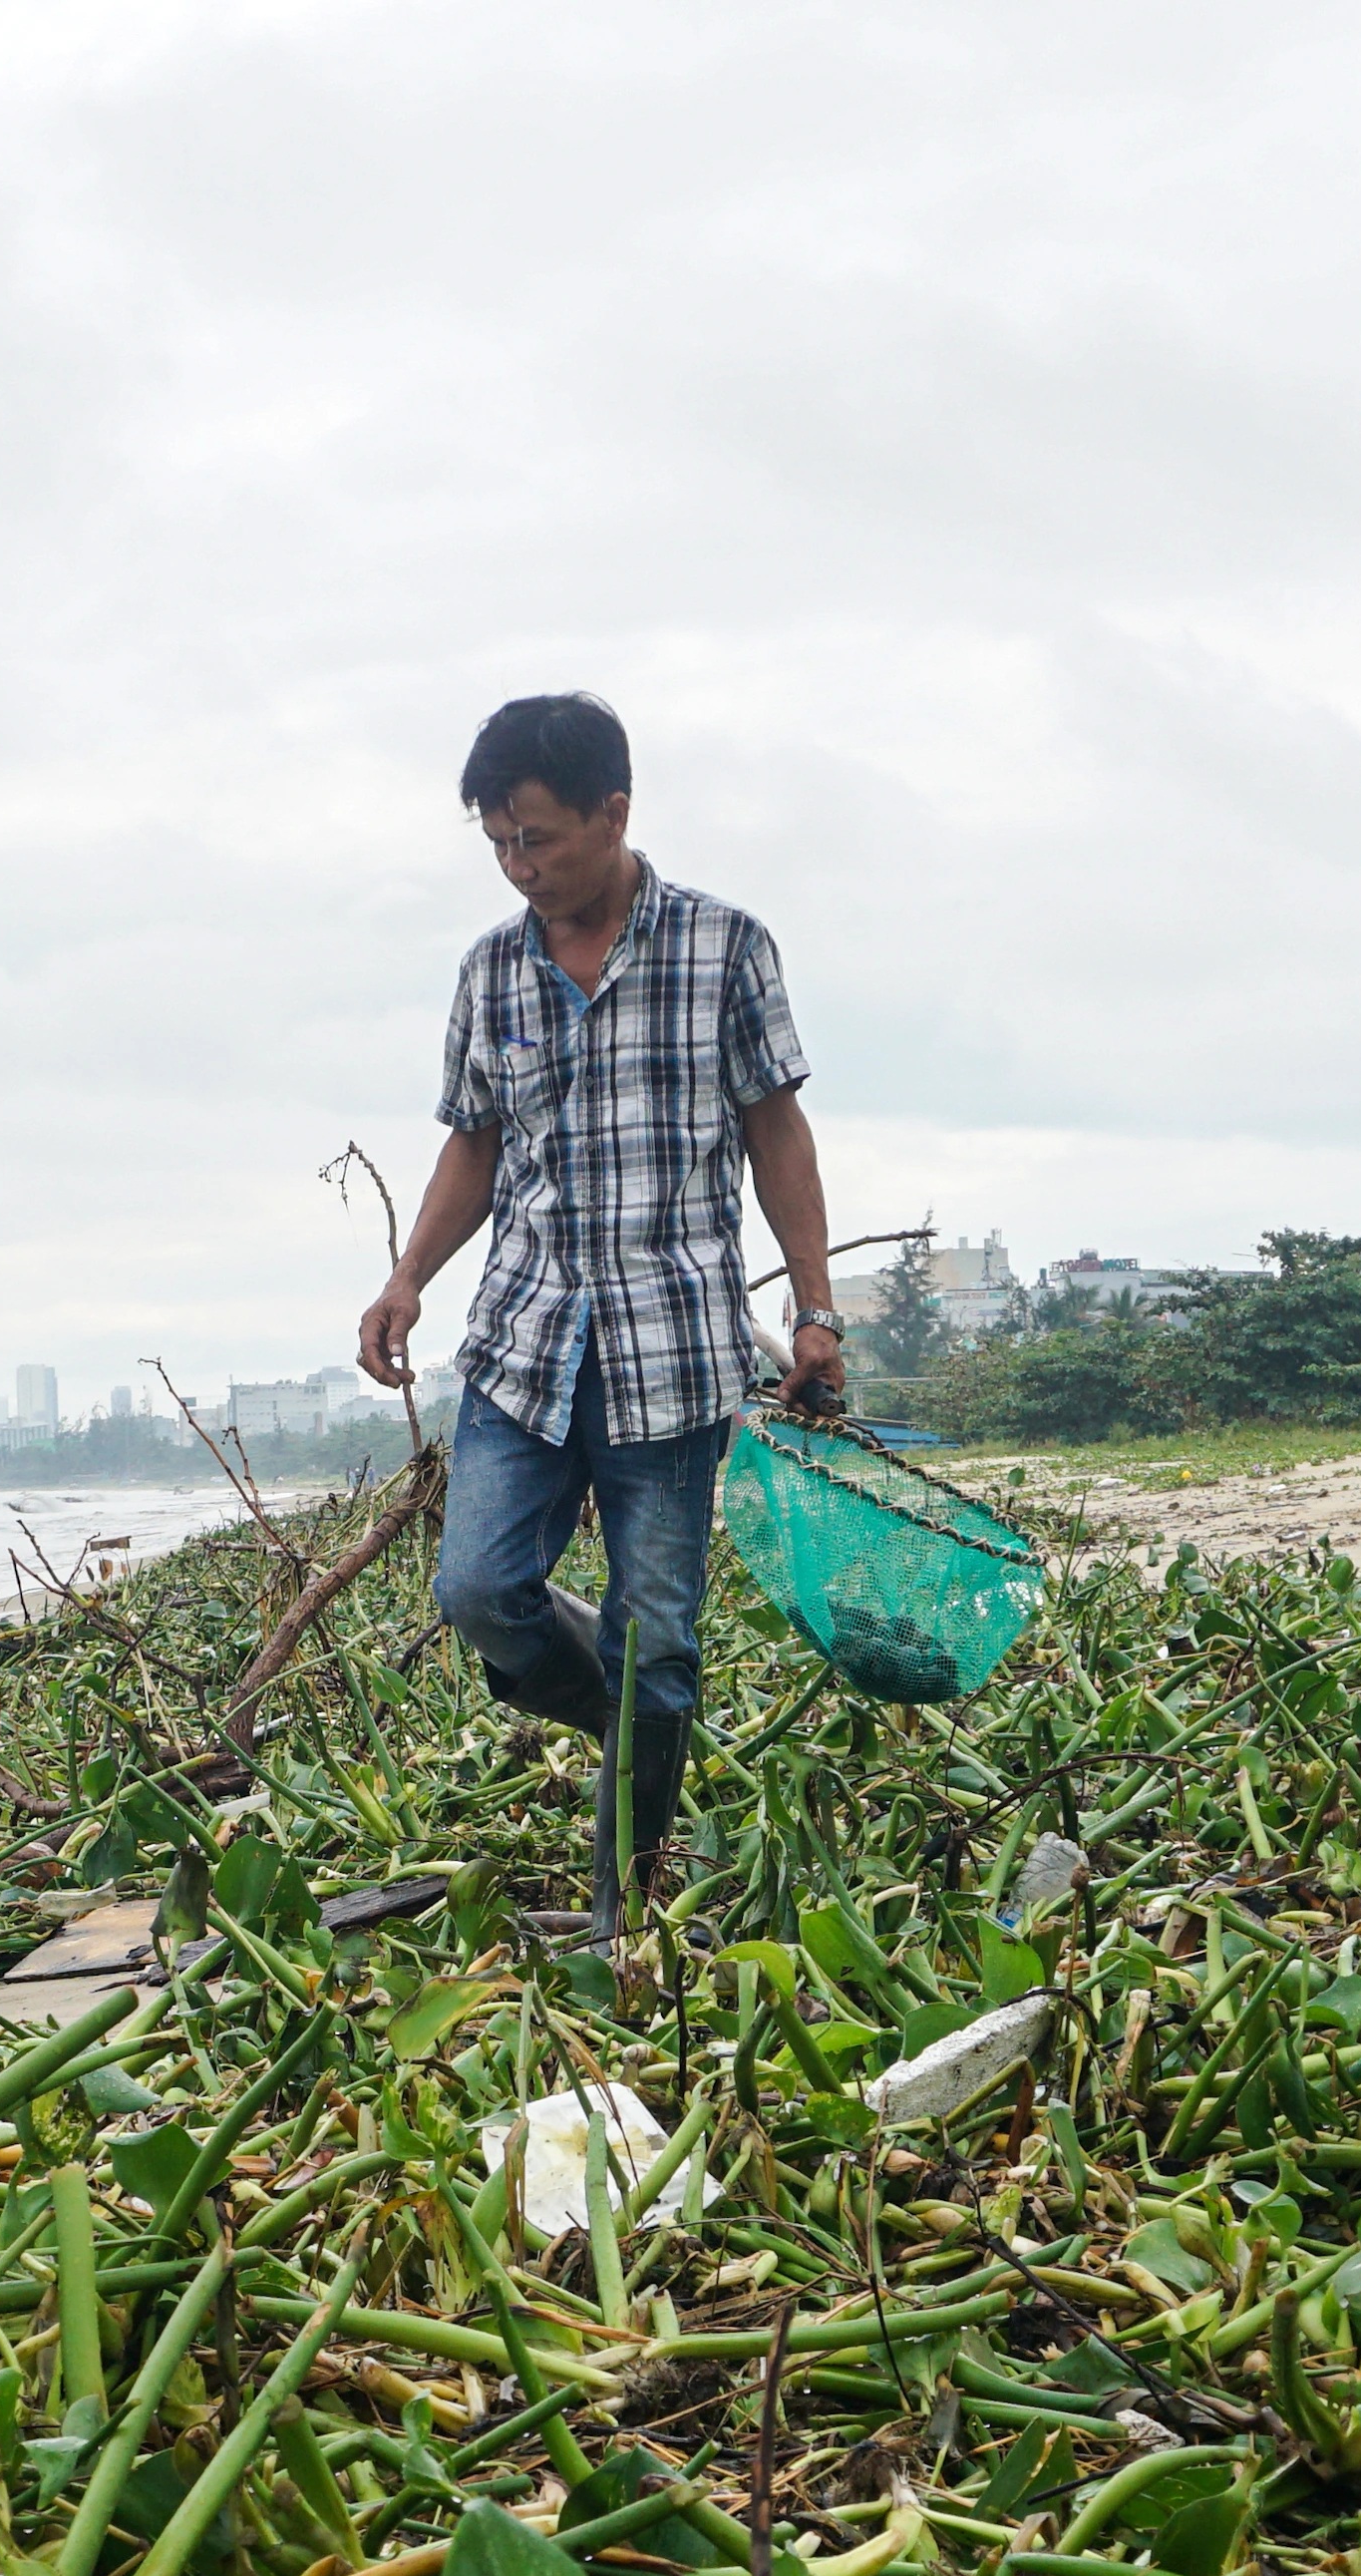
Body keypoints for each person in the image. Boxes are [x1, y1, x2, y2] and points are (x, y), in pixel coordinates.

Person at [361, 691, 845, 1911]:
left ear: (612, 811)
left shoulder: (723, 946)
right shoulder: (490, 972)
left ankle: (626, 1901)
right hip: (524, 1344)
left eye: (539, 839)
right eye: (500, 847)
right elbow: (472, 1146)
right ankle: (640, 1720)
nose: (521, 867)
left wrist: (816, 1310)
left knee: (662, 1635)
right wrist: (408, 1278)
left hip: (672, 1353)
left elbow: (774, 1129)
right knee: (479, 1592)